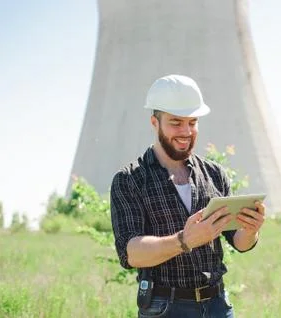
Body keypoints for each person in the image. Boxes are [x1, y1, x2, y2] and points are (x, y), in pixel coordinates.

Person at [110, 74, 266, 318]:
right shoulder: (129, 179)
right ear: (154, 122)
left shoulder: (215, 174)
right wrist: (185, 240)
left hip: (217, 305)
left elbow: (239, 243)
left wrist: (250, 230)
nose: (186, 131)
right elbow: (131, 253)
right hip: (164, 307)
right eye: (176, 122)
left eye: (192, 122)